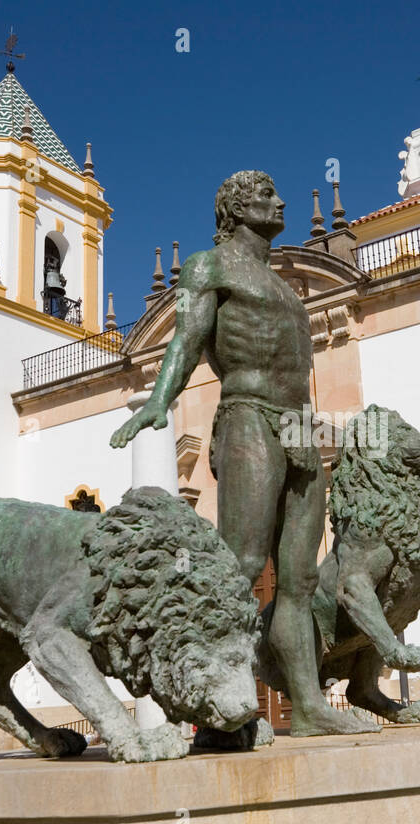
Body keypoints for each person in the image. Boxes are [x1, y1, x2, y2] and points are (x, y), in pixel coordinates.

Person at [110, 170, 376, 737]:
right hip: (249, 414)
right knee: (242, 566)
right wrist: (161, 400)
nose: (279, 202)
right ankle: (212, 708)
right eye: (265, 196)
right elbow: (185, 336)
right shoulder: (207, 266)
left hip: (300, 428)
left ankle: (305, 706)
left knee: (300, 579)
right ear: (235, 208)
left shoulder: (281, 283)